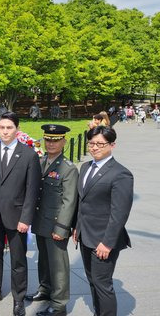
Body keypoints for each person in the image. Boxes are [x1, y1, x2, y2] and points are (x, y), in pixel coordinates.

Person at [0, 112, 41, 316]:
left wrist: (26, 218)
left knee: (18, 261)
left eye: (9, 128)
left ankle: (18, 298)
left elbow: (32, 190)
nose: (5, 131)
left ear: (17, 129)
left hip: (17, 217)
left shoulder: (28, 154)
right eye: (2, 127)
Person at [73, 126, 133, 316]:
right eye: (92, 143)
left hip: (103, 240)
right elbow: (82, 202)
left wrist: (107, 243)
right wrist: (77, 227)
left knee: (102, 283)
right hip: (85, 235)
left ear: (112, 145)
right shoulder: (85, 167)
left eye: (100, 144)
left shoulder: (120, 174)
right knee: (92, 280)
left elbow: (120, 213)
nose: (95, 147)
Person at [26, 124, 78, 316]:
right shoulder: (40, 162)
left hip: (56, 225)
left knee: (58, 266)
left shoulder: (68, 168)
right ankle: (45, 289)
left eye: (56, 140)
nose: (51, 143)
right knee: (44, 260)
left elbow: (69, 201)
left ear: (64, 141)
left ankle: (59, 304)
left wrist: (62, 228)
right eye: (48, 139)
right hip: (41, 221)